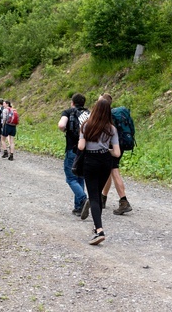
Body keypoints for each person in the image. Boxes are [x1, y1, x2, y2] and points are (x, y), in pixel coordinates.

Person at [77, 99, 120, 245]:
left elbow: (81, 147)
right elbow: (117, 153)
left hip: (90, 161)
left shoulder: (86, 126)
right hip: (105, 161)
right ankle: (96, 228)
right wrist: (105, 148)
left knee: (93, 197)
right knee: (98, 194)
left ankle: (100, 230)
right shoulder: (111, 129)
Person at [98, 93, 133, 215]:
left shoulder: (107, 116)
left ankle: (124, 201)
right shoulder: (115, 114)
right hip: (121, 144)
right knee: (110, 170)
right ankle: (103, 198)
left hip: (113, 146)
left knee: (114, 170)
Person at [58, 93, 89, 217]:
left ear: (72, 102)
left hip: (72, 148)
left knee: (71, 178)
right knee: (80, 177)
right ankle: (79, 207)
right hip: (86, 150)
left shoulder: (68, 112)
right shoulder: (89, 113)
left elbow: (61, 125)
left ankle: (83, 198)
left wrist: (66, 130)